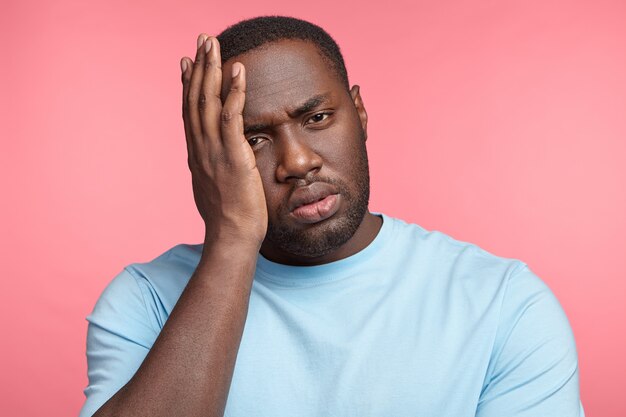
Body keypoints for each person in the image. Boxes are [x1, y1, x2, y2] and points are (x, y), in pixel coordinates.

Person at [79, 16, 584, 417]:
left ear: (359, 112)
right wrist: (232, 238)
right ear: (212, 156)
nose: (298, 162)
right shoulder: (145, 301)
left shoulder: (503, 304)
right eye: (254, 139)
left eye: (317, 118)